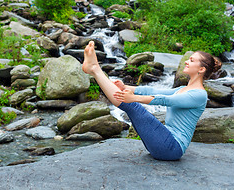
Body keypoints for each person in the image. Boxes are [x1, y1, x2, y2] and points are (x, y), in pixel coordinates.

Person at [82, 41, 221, 161]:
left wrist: (134, 98)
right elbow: (155, 92)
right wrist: (127, 87)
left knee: (132, 106)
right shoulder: (184, 89)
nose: (186, 61)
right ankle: (94, 69)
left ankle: (95, 69)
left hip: (172, 148)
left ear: (201, 69)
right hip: (164, 142)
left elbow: (167, 100)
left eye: (191, 60)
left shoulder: (199, 95)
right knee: (131, 105)